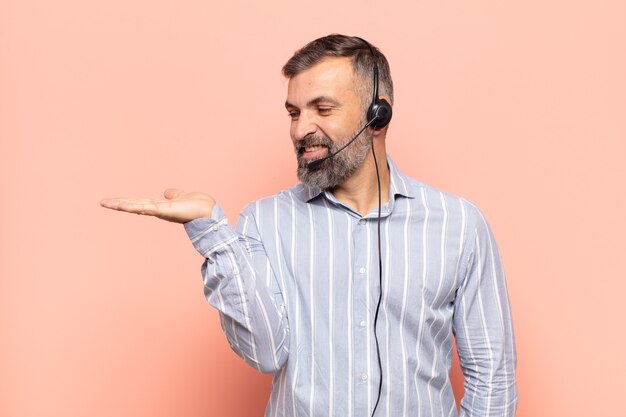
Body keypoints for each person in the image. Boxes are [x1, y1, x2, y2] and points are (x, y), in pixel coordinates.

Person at [101, 34, 517, 417]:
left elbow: (492, 379)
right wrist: (214, 234)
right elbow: (265, 353)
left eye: (323, 108)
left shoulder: (459, 225)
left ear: (378, 114)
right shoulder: (265, 221)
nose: (301, 129)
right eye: (294, 112)